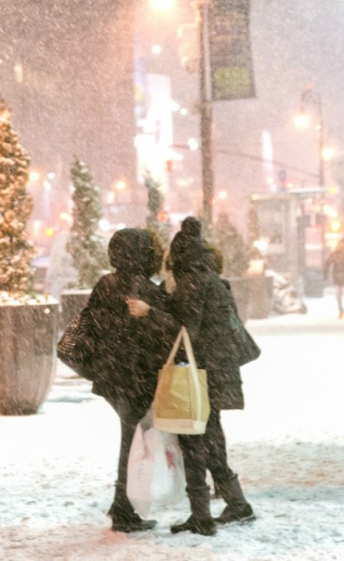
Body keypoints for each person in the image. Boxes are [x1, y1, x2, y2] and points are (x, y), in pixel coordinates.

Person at [128, 217, 256, 535]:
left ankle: (202, 515)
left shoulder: (192, 282)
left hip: (202, 374)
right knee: (209, 438)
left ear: (178, 256)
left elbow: (185, 328)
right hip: (217, 371)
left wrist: (149, 312)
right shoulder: (208, 277)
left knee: (195, 440)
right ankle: (235, 504)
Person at [82, 227, 177, 533]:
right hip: (137, 376)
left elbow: (91, 325)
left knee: (130, 436)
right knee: (134, 441)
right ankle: (124, 509)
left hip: (112, 375)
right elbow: (165, 334)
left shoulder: (105, 284)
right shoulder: (146, 289)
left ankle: (121, 502)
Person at [322, 238, 344, 318]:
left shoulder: (336, 253)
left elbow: (327, 263)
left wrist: (325, 275)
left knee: (339, 294)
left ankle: (341, 310)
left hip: (338, 276)